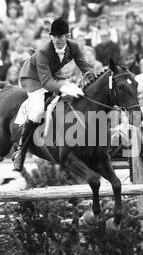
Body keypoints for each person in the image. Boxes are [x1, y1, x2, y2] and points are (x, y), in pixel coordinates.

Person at [13, 18, 95, 171]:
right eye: (54, 36)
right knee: (37, 111)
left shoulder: (74, 46)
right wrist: (64, 88)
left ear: (68, 36)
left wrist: (94, 81)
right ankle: (21, 152)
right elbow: (46, 83)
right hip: (34, 78)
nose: (56, 40)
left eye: (60, 36)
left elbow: (85, 67)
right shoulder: (44, 51)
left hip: (52, 74)